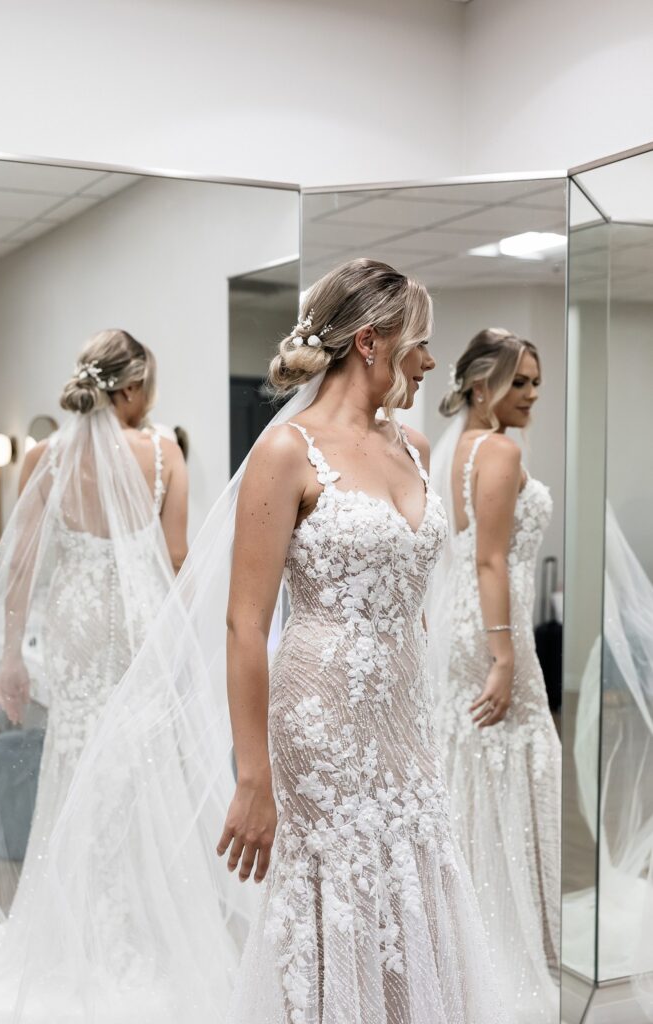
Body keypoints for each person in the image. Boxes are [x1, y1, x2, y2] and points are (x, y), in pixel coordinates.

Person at [218, 261, 509, 1024]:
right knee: (341, 888)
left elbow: (409, 590)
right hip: (322, 716)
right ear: (372, 343)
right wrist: (254, 776)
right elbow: (244, 623)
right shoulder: (287, 451)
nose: (429, 361)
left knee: (414, 874)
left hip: (402, 713)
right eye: (420, 343)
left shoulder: (412, 445)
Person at [0, 329, 188, 1014]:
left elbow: (24, 565)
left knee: (74, 764)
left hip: (75, 629)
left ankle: (75, 929)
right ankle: (136, 929)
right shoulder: (164, 453)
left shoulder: (46, 454)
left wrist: (11, 656)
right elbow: (177, 560)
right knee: (140, 774)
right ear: (131, 388)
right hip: (138, 626)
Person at [428, 328, 561, 1024]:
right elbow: (488, 559)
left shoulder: (453, 449)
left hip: (459, 619)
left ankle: (461, 940)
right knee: (514, 759)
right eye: (520, 382)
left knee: (468, 767)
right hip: (490, 621)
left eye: (536, 381)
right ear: (481, 385)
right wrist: (506, 655)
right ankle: (498, 949)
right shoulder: (500, 450)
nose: (532, 394)